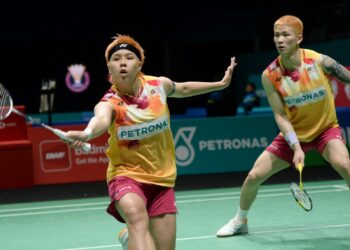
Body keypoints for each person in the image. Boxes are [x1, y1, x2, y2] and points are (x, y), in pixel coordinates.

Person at [63, 34, 237, 249]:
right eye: (116, 59)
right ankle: (134, 235)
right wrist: (87, 133)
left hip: (162, 180)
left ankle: (129, 240)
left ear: (139, 63)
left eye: (129, 57)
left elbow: (182, 89)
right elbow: (100, 119)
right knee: (137, 217)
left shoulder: (158, 85)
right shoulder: (110, 102)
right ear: (109, 67)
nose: (123, 62)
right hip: (126, 175)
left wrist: (220, 84)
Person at [216, 15, 350, 237]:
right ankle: (240, 221)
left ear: (298, 38)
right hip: (293, 134)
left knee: (345, 166)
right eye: (276, 35)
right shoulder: (270, 75)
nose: (280, 39)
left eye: (285, 34)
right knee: (253, 177)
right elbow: (280, 116)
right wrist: (296, 147)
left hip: (325, 129)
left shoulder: (318, 61)